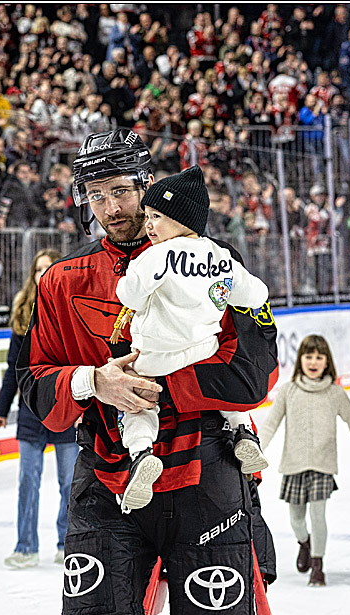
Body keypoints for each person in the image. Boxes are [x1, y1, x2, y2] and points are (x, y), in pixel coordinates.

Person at [16, 129, 280, 615]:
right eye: (97, 195)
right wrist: (94, 382)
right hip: (108, 479)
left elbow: (257, 375)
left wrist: (166, 384)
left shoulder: (216, 262)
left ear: (145, 186)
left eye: (121, 191)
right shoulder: (61, 282)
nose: (111, 208)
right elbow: (39, 391)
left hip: (205, 476)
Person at [113, 166, 270, 512]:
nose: (148, 225)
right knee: (224, 391)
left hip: (155, 355)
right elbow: (256, 295)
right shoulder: (221, 256)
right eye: (147, 217)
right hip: (204, 352)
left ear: (182, 219)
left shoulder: (155, 255)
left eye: (157, 216)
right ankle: (244, 431)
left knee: (135, 400)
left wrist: (134, 276)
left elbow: (130, 295)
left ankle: (141, 454)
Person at [257, 334, 350, 587]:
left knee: (318, 515)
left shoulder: (334, 393)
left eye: (319, 357)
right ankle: (304, 542)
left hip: (322, 465)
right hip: (293, 464)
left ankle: (318, 566)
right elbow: (270, 425)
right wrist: (257, 452)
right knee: (296, 520)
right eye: (308, 356)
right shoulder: (288, 390)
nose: (313, 361)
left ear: (327, 362)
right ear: (300, 360)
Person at [0, 248, 78, 569]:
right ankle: (25, 545)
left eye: (49, 268)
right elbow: (13, 367)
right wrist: (3, 407)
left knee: (69, 482)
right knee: (28, 480)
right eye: (38, 270)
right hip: (31, 409)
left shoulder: (71, 311)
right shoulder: (22, 316)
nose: (43, 275)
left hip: (65, 408)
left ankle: (67, 543)